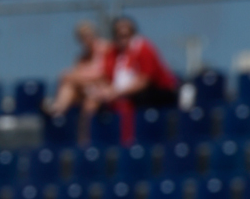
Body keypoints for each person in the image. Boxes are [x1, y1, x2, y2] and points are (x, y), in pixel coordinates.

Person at [83, 16, 180, 144]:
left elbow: (144, 80)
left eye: (126, 35)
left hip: (160, 92)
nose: (123, 39)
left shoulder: (143, 48)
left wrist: (115, 92)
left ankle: (130, 141)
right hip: (134, 93)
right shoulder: (116, 54)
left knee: (130, 100)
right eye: (119, 35)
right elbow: (106, 75)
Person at [44, 20, 110, 117]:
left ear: (95, 34)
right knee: (68, 86)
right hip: (86, 89)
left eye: (88, 35)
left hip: (103, 86)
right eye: (82, 37)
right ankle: (57, 112)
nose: (86, 39)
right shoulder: (81, 57)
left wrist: (74, 76)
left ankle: (58, 109)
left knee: (67, 77)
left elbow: (104, 73)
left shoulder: (105, 49)